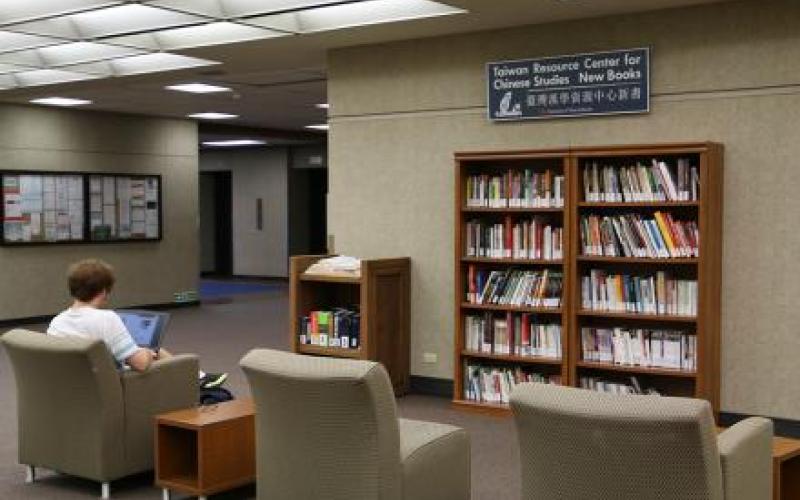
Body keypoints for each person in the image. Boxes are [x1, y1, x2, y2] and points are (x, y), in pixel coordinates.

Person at [47, 258, 227, 388]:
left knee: (154, 350)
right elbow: (140, 365)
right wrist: (147, 353)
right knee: (151, 352)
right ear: (103, 292)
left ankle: (198, 377)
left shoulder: (57, 322)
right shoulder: (107, 319)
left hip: (76, 385)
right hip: (111, 387)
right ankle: (196, 380)